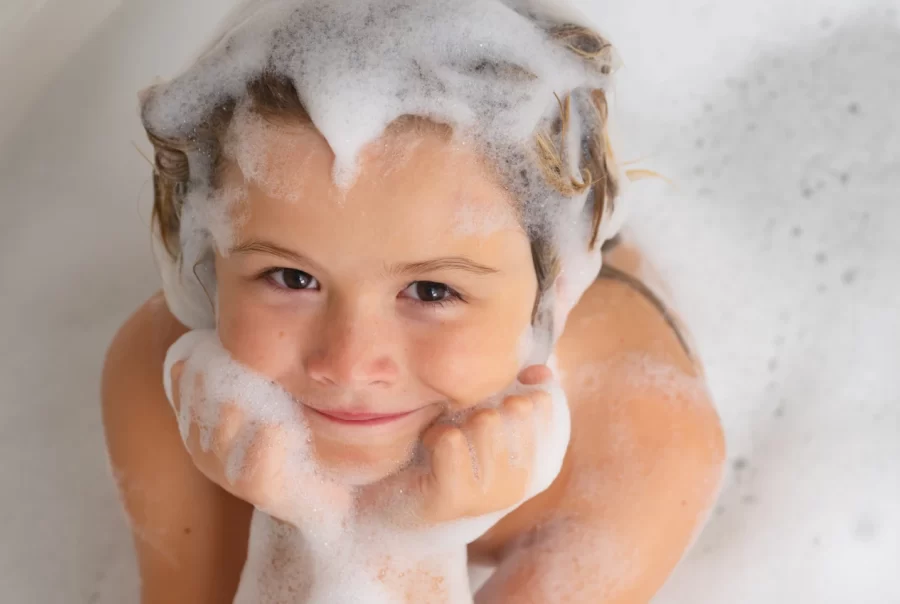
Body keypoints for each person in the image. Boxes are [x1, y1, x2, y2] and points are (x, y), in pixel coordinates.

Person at [101, 1, 726, 601]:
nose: (346, 364)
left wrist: (405, 546)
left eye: (431, 291)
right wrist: (302, 530)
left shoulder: (640, 448)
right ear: (210, 255)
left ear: (554, 291)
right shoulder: (163, 381)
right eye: (290, 278)